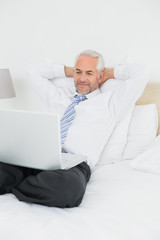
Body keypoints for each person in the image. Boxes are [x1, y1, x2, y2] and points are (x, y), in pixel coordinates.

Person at [0, 50, 149, 207]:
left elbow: (142, 72)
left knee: (68, 190)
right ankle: (30, 184)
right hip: (39, 155)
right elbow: (32, 71)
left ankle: (14, 183)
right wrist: (70, 70)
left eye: (89, 73)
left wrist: (108, 73)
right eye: (79, 72)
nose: (82, 79)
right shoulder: (59, 96)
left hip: (74, 165)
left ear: (99, 76)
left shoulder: (111, 103)